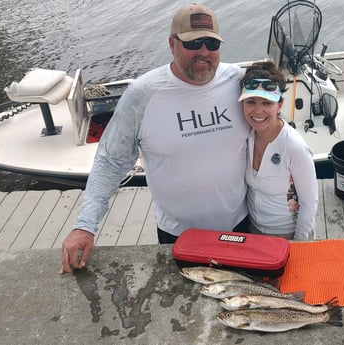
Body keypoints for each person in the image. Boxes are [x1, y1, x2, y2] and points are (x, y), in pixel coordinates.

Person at [60, 4, 250, 274]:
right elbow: (110, 162)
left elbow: (275, 135)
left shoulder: (239, 81)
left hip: (240, 226)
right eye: (194, 42)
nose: (204, 52)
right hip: (179, 236)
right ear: (172, 44)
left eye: (212, 43)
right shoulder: (143, 94)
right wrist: (85, 226)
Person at [239, 61, 318, 240]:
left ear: (280, 105)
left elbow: (309, 202)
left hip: (288, 235)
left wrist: (299, 245)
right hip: (253, 231)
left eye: (267, 103)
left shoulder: (294, 146)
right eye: (250, 102)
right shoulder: (245, 136)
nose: (258, 111)